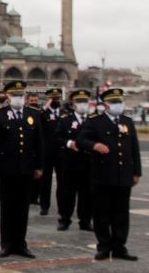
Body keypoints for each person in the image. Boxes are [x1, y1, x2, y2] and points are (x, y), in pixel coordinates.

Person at [77, 88, 141, 261]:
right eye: (113, 102)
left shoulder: (127, 121)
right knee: (102, 212)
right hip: (103, 174)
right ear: (105, 104)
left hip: (123, 175)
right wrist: (94, 145)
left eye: (119, 102)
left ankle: (120, 246)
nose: (117, 105)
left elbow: (134, 148)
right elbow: (81, 140)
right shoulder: (95, 121)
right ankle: (104, 246)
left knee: (121, 213)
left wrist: (136, 172)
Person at [0, 81, 44, 258]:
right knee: (8, 207)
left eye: (21, 95)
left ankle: (21, 243)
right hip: (6, 168)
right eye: (15, 95)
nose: (19, 98)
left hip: (26, 168)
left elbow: (39, 142)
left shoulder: (33, 114)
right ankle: (7, 243)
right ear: (8, 96)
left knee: (23, 208)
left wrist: (39, 166)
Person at [56, 89, 93, 232]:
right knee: (67, 194)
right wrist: (68, 143)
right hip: (70, 163)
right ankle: (64, 220)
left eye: (85, 101)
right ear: (73, 103)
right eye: (79, 102)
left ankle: (85, 221)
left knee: (87, 194)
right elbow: (58, 138)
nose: (83, 105)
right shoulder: (66, 120)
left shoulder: (93, 120)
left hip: (88, 163)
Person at [36, 88, 63, 216]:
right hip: (47, 152)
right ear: (49, 99)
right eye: (54, 99)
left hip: (62, 153)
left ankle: (62, 206)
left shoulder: (64, 113)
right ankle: (44, 205)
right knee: (45, 181)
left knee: (62, 182)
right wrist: (44, 109)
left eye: (58, 98)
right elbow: (36, 126)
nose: (56, 101)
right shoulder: (43, 114)